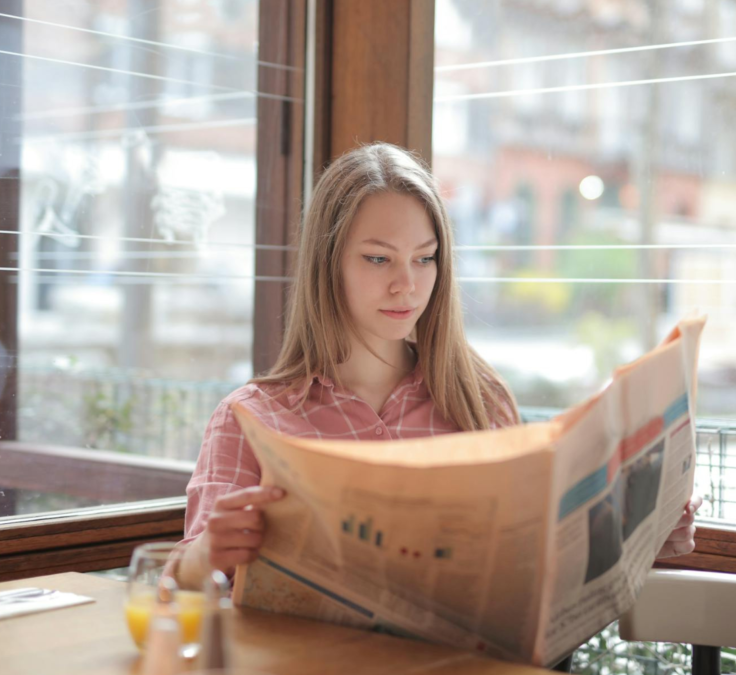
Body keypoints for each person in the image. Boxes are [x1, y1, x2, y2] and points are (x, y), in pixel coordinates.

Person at [176, 143, 701, 589]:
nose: (407, 283)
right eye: (378, 259)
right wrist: (205, 558)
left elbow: (538, 569)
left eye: (424, 258)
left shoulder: (479, 402)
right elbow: (179, 591)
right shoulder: (249, 420)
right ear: (326, 264)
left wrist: (645, 533)